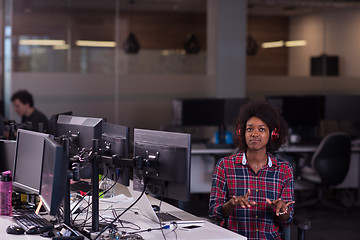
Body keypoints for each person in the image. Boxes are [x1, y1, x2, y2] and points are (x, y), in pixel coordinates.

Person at [209, 101, 295, 240]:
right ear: (242, 132)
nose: (254, 134)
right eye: (249, 129)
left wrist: (281, 209)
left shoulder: (284, 169)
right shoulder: (225, 166)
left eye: (261, 129)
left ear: (273, 134)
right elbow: (214, 213)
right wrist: (231, 204)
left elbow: (287, 219)